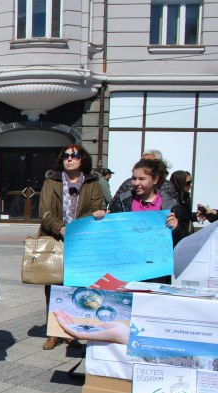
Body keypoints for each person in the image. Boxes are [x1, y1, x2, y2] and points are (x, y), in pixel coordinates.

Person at [38, 143, 103, 350]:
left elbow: (96, 207)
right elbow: (45, 211)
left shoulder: (92, 181)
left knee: (76, 285)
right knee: (54, 286)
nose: (69, 158)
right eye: (66, 155)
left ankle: (71, 332)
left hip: (82, 240)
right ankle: (53, 332)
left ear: (82, 158)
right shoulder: (52, 181)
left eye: (74, 155)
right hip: (56, 238)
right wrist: (61, 229)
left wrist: (77, 227)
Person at [105, 158, 182, 260]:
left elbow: (180, 243)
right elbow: (111, 233)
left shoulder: (171, 206)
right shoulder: (122, 201)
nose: (136, 183)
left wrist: (176, 229)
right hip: (128, 263)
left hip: (156, 266)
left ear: (155, 180)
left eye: (142, 179)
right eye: (134, 178)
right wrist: (103, 219)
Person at [170, 170, 194, 235]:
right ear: (180, 183)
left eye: (191, 182)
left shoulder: (185, 198)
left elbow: (185, 217)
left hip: (184, 236)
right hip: (176, 238)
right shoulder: (171, 200)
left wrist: (197, 216)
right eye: (188, 183)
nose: (191, 185)